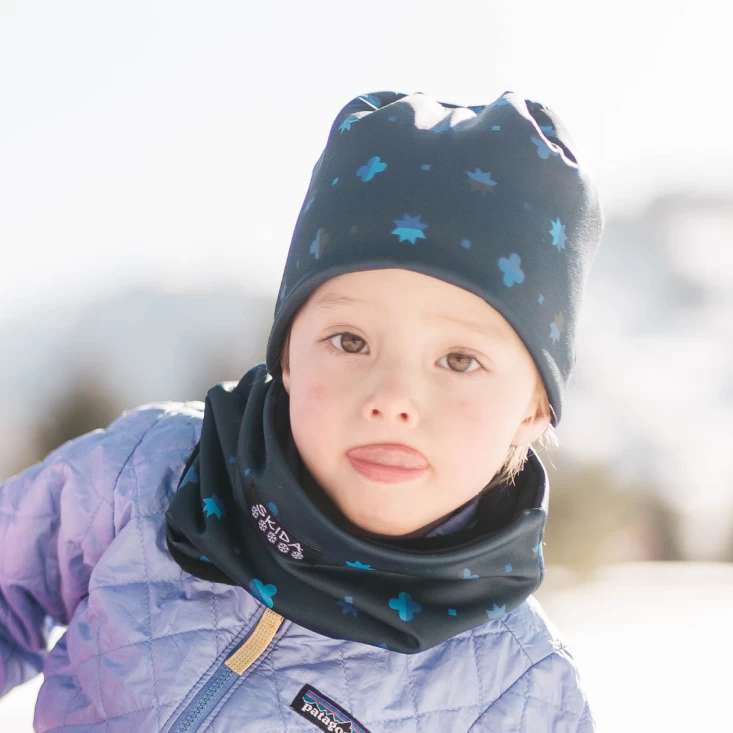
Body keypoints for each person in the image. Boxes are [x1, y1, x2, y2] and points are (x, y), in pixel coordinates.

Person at [0, 90, 604, 732]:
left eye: (459, 360)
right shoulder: (152, 472)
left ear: (534, 408)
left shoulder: (519, 690)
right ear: (287, 354)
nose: (392, 401)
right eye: (351, 342)